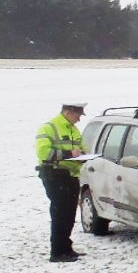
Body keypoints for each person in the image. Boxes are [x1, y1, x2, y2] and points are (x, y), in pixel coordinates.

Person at [36, 102, 87, 262]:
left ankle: (66, 247)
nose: (79, 119)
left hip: (71, 175)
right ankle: (57, 252)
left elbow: (81, 148)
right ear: (68, 112)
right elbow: (43, 152)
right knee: (60, 213)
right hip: (55, 175)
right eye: (78, 115)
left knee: (70, 213)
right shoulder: (49, 128)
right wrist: (68, 153)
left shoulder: (73, 129)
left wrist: (84, 154)